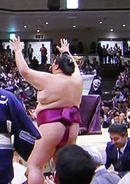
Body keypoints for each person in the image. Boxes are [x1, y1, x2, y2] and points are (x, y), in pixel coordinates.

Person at [10, 37, 82, 184]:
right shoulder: (77, 79)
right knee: (63, 166)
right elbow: (74, 66)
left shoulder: (49, 79)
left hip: (52, 127)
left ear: (56, 67)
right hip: (73, 128)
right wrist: (66, 52)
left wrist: (17, 50)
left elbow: (24, 71)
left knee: (35, 165)